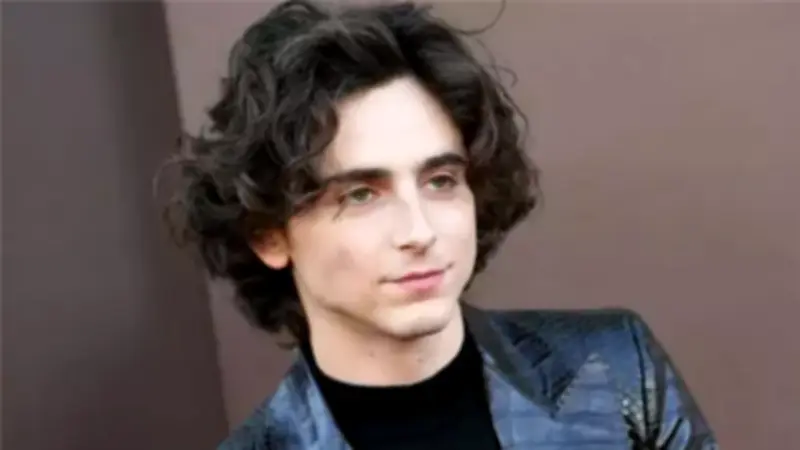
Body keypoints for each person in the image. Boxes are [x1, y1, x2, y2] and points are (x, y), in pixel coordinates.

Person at [161, 0, 718, 448]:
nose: (419, 231)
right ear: (268, 234)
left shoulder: (615, 368)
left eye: (441, 180)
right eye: (361, 194)